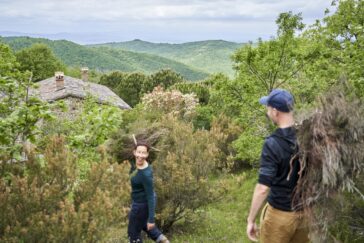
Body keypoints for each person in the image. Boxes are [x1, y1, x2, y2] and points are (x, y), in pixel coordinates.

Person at [246, 89, 309, 243]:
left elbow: (263, 188)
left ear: (275, 112)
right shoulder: (308, 135)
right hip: (307, 214)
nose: (267, 111)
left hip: (280, 216)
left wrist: (251, 220)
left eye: (268, 108)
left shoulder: (272, 143)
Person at [128, 141, 170, 243]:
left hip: (140, 205)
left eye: (143, 153)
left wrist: (151, 219)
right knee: (144, 225)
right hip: (141, 203)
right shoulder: (137, 164)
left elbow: (151, 196)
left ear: (147, 154)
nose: (140, 156)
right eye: (138, 152)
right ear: (134, 152)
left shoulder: (145, 175)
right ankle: (163, 241)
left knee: (133, 233)